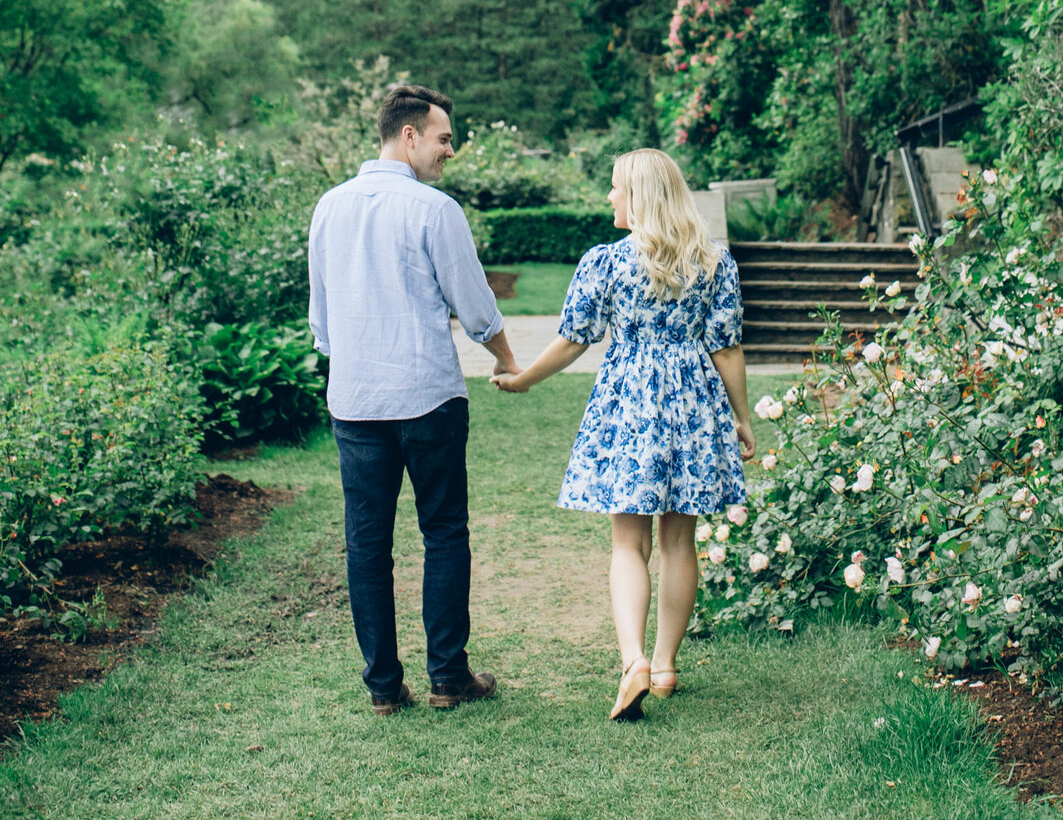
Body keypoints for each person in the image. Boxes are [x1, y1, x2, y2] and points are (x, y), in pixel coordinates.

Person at [492, 147, 754, 720]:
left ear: (639, 195)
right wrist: (741, 416)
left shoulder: (605, 263)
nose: (610, 196)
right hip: (693, 403)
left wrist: (525, 379)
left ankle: (631, 659)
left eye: (616, 187)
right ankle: (663, 668)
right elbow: (727, 347)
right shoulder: (714, 262)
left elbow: (573, 340)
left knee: (626, 544)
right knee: (678, 542)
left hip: (630, 406)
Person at [308, 82, 521, 714]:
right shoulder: (435, 210)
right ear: (409, 135)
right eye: (444, 137)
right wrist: (509, 361)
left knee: (367, 543)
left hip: (355, 403)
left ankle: (382, 689)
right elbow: (475, 304)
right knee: (444, 532)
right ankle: (449, 679)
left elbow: (321, 322)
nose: (448, 150)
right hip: (427, 396)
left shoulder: (329, 207)